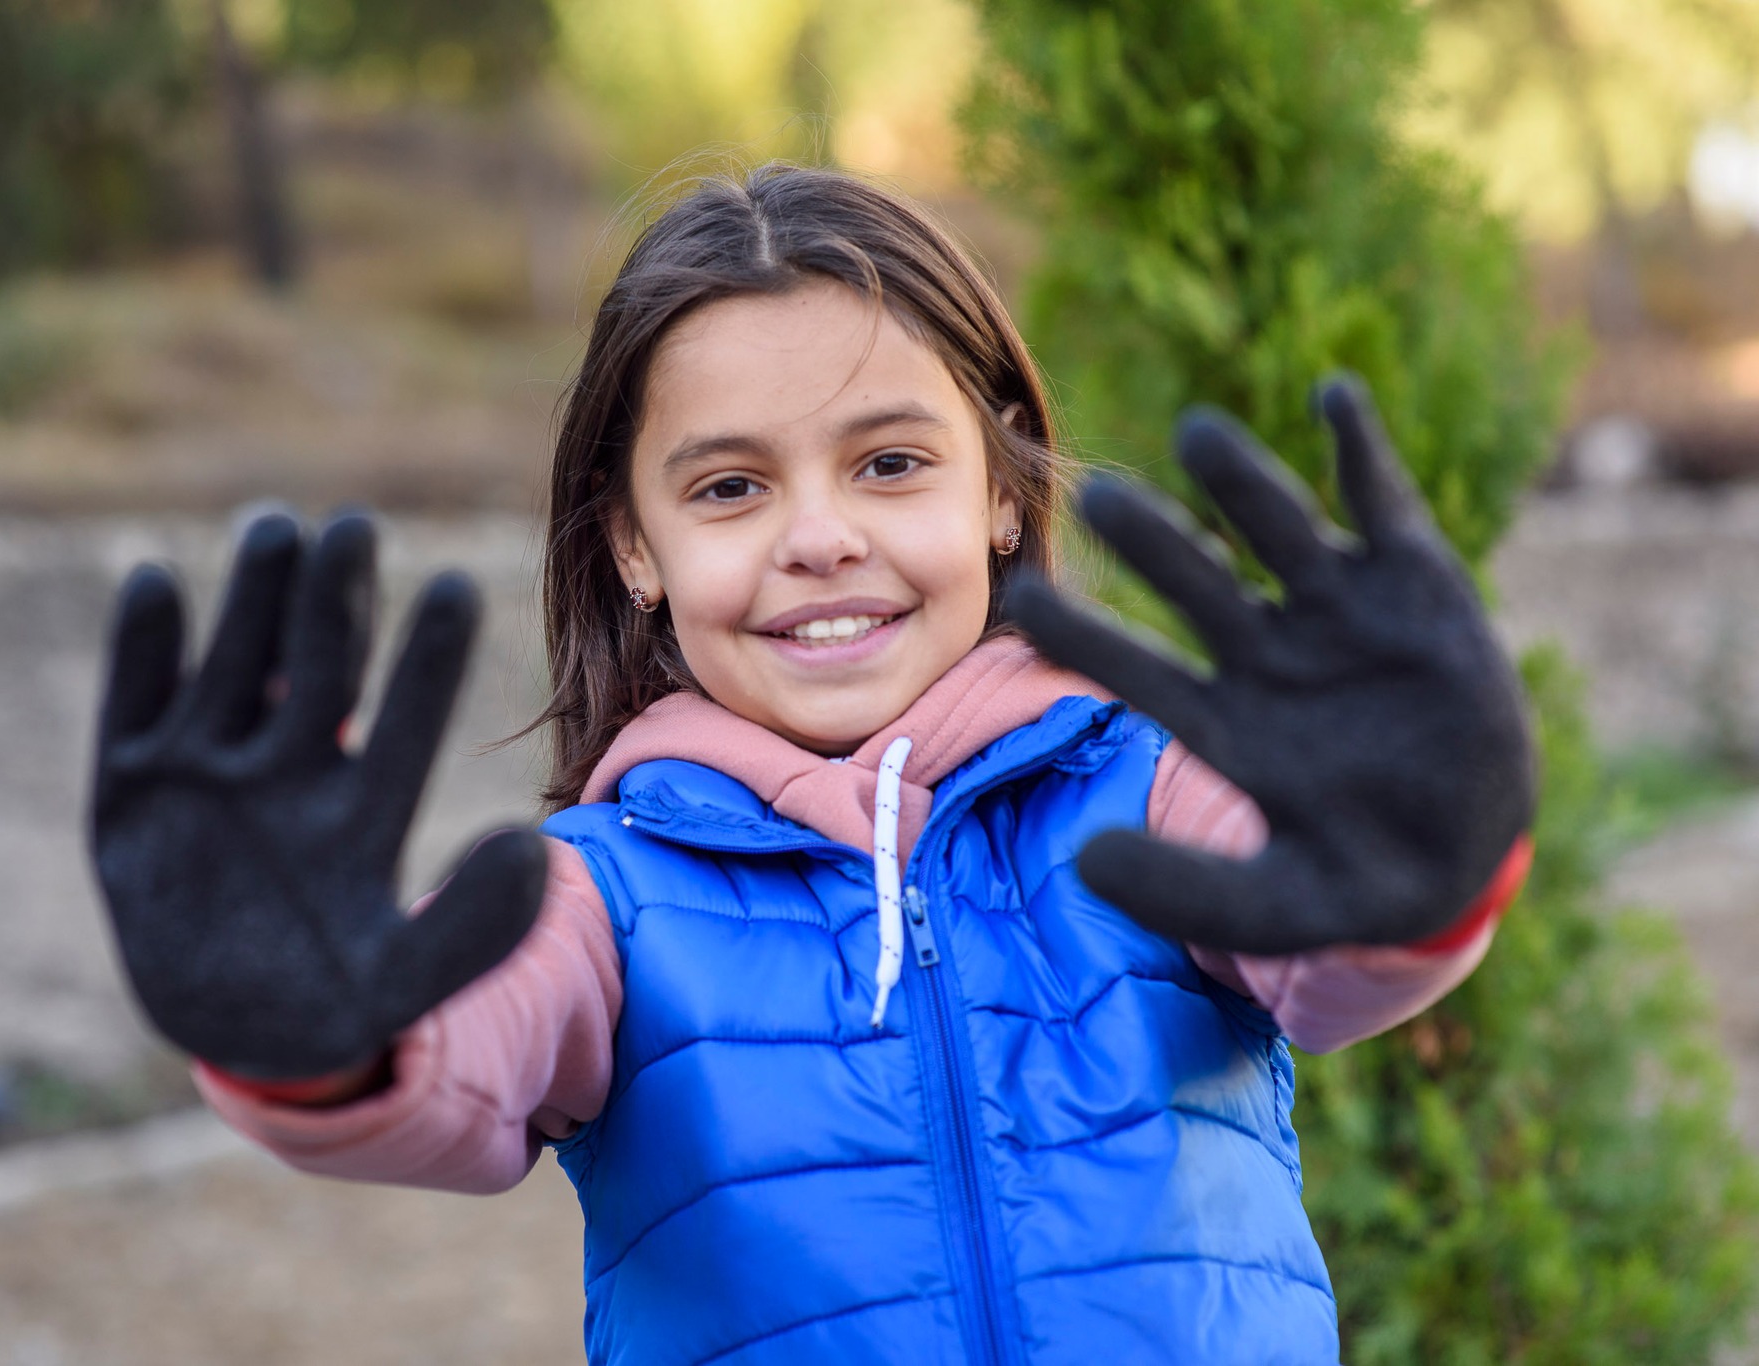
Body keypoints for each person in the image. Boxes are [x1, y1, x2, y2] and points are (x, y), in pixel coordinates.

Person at [88, 164, 1535, 1364]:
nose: (821, 537)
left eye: (890, 463)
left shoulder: (1148, 787)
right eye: (731, 486)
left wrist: (1420, 847)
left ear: (1002, 492)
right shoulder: (604, 900)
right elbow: (448, 1072)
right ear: (635, 546)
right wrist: (311, 1034)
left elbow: (1343, 955)